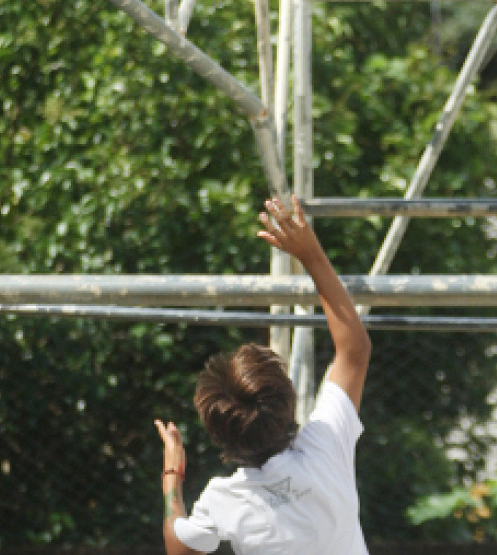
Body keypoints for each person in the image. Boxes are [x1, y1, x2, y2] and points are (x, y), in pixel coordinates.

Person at [153, 194, 372, 555]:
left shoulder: (223, 500)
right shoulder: (326, 445)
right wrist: (310, 254)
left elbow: (178, 546)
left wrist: (172, 477)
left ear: (221, 435)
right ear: (288, 403)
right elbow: (355, 349)